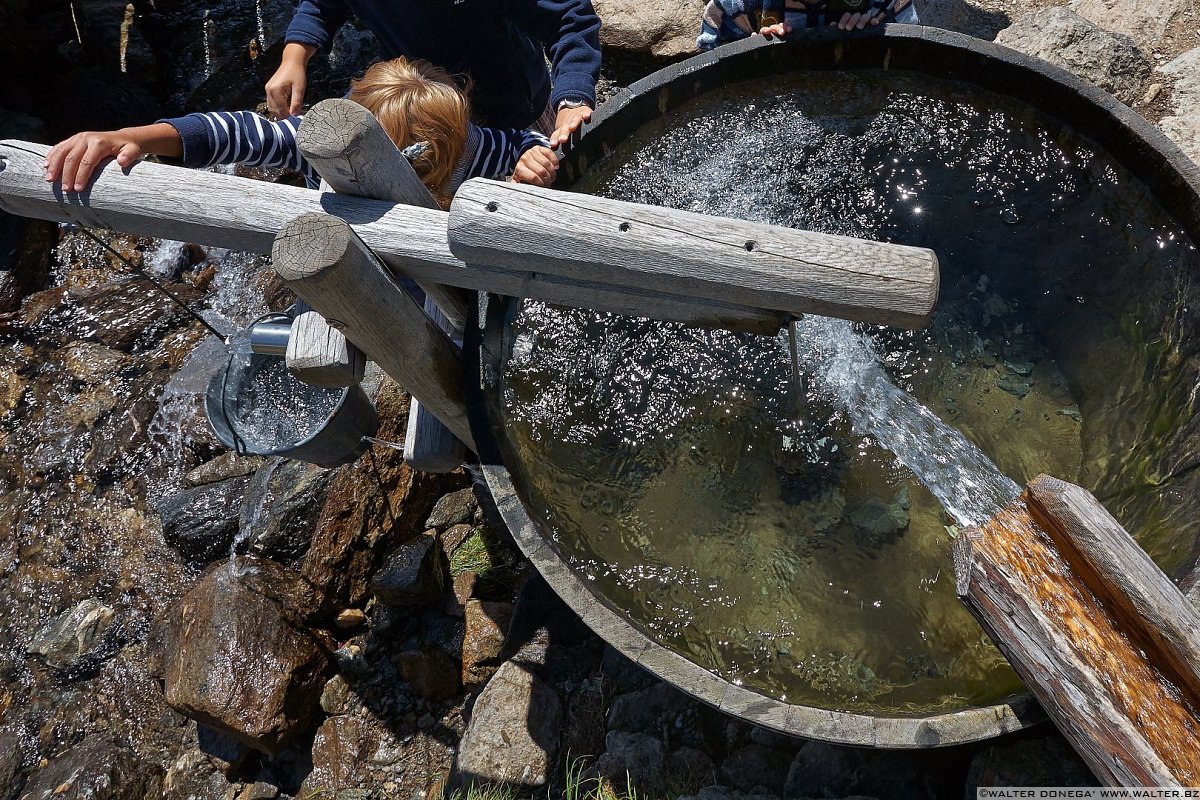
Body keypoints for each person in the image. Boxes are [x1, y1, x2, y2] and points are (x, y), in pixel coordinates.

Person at [43, 57, 560, 209]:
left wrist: (532, 158)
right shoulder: (324, 148)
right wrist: (130, 136)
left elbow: (520, 144)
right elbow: (231, 132)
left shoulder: (470, 147)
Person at [265, 0, 602, 148]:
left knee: (549, 194)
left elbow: (569, 17)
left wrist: (572, 96)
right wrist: (294, 56)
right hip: (424, 121)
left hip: (515, 111)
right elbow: (322, 5)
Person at [697, 0, 918, 50]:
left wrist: (875, 35)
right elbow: (713, 81)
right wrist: (749, 51)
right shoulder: (737, 8)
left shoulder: (883, 3)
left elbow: (916, 55)